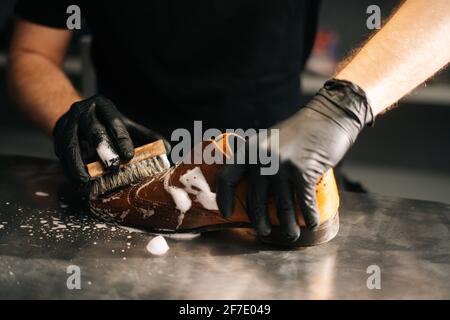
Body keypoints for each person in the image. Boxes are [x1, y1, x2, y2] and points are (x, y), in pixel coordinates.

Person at [8, 0, 450, 242]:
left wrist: (341, 107)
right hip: (129, 168)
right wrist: (70, 115)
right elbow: (32, 53)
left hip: (277, 172)